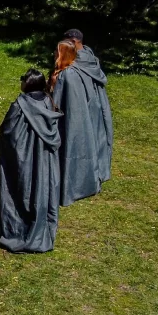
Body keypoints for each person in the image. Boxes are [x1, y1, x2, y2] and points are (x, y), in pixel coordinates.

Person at [0, 69, 63, 253]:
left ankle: (19, 230)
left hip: (24, 158)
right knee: (41, 190)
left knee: (22, 190)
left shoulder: (20, 105)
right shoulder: (49, 103)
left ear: (28, 84)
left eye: (23, 80)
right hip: (45, 160)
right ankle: (40, 224)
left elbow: (8, 131)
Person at [49, 39, 113, 206]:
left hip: (70, 121)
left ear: (62, 54)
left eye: (57, 51)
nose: (54, 54)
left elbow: (59, 103)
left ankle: (68, 186)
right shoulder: (75, 71)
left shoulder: (67, 76)